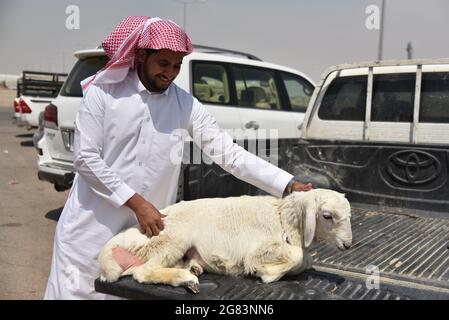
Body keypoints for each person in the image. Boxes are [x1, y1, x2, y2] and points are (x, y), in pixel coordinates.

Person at [44, 16, 312, 300]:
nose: (170, 74)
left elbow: (230, 154)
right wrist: (137, 203)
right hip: (89, 232)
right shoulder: (103, 93)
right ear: (141, 55)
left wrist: (287, 184)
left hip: (146, 237)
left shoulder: (184, 104)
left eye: (176, 66)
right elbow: (85, 159)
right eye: (163, 64)